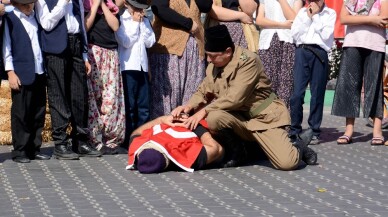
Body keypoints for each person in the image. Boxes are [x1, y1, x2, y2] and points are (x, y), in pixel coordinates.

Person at [171, 25, 317, 171]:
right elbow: (203, 91)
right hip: (240, 119)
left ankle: (297, 146)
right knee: (214, 118)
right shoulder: (214, 66)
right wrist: (188, 107)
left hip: (264, 118)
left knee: (287, 163)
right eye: (207, 55)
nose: (208, 60)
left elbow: (235, 98)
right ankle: (239, 152)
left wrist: (203, 111)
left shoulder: (248, 61)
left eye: (213, 56)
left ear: (228, 51)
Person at [35, 0, 102, 159]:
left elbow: (81, 23)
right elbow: (46, 23)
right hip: (55, 47)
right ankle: (61, 142)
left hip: (76, 43)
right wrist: (62, 3)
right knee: (58, 94)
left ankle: (80, 139)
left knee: (80, 95)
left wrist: (84, 54)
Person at [332, 0, 388, 146]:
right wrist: (371, 19)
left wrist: (356, 19)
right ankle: (349, 131)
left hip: (375, 44)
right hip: (352, 43)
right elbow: (344, 19)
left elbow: (383, 21)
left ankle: (377, 131)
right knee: (349, 86)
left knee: (375, 87)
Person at [3, 0, 50, 163]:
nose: (29, 7)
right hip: (21, 72)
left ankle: (34, 147)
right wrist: (10, 72)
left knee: (38, 111)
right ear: (16, 4)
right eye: (25, 4)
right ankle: (20, 150)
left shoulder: (35, 18)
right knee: (21, 112)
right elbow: (7, 47)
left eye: (30, 3)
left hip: (39, 70)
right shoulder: (10, 19)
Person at [148, 0, 213, 119]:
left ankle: (184, 135)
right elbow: (159, 8)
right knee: (168, 101)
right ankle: (162, 134)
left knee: (191, 100)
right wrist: (187, 23)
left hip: (195, 52)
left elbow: (206, 5)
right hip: (169, 51)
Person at [289, 0, 336, 145]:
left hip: (319, 52)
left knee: (317, 94)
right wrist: (309, 17)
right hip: (302, 51)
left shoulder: (330, 13)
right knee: (297, 94)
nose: (313, 2)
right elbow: (295, 34)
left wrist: (315, 16)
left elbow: (326, 35)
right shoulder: (302, 13)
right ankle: (294, 130)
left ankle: (314, 131)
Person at [84, 0, 125, 155]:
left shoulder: (111, 5)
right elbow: (85, 26)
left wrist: (102, 5)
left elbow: (115, 26)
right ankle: (95, 139)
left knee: (111, 97)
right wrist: (94, 6)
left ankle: (111, 140)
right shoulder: (85, 5)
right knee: (94, 97)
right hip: (93, 52)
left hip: (111, 53)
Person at [115, 0, 155, 149]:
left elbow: (150, 42)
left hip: (142, 67)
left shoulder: (144, 21)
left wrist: (142, 24)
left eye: (141, 8)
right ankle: (129, 139)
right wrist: (133, 22)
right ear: (127, 5)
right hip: (128, 67)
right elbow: (125, 41)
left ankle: (142, 137)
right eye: (136, 7)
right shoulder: (122, 19)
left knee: (143, 106)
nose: (139, 10)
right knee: (130, 106)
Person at [126, 115, 225, 173]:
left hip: (179, 116)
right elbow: (217, 149)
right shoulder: (187, 156)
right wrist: (196, 126)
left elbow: (135, 133)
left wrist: (162, 119)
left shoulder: (137, 145)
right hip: (210, 123)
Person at [256, 0, 304, 109]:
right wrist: (281, 24)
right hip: (267, 41)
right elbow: (259, 20)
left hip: (288, 40)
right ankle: (268, 117)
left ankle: (284, 118)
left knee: (286, 82)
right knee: (267, 81)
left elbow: (295, 20)